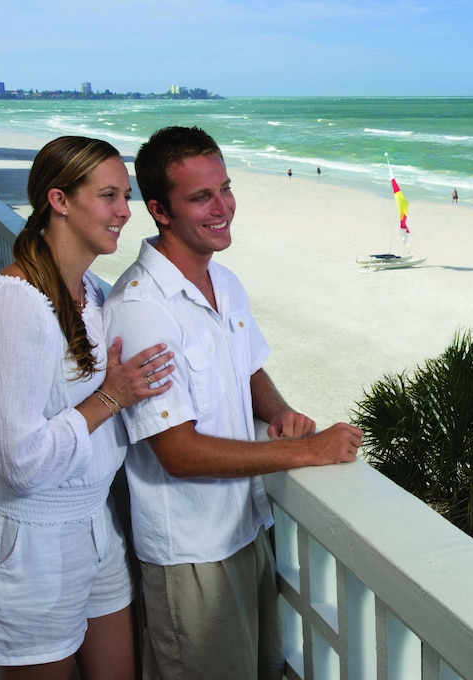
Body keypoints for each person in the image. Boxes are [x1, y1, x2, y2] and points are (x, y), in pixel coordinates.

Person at [103, 126, 362, 680]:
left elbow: (248, 368)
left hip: (247, 528)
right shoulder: (141, 309)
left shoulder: (224, 280)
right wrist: (309, 450)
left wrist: (280, 411)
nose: (222, 208)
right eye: (201, 197)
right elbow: (178, 453)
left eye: (225, 188)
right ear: (159, 210)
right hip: (192, 554)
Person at [0, 136, 176, 679]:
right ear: (59, 200)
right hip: (30, 541)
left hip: (96, 524)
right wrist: (111, 397)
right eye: (108, 196)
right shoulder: (11, 303)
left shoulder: (92, 295)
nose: (125, 211)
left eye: (126, 196)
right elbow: (19, 462)